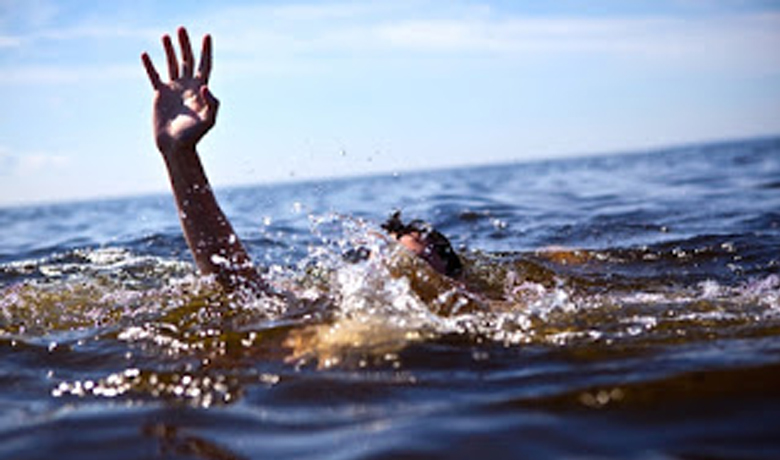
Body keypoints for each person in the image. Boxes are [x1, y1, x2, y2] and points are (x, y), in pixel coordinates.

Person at [141, 27, 462, 295]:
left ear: (453, 282)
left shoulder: (462, 313)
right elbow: (239, 286)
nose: (392, 268)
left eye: (413, 263)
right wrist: (179, 155)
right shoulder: (328, 304)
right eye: (390, 258)